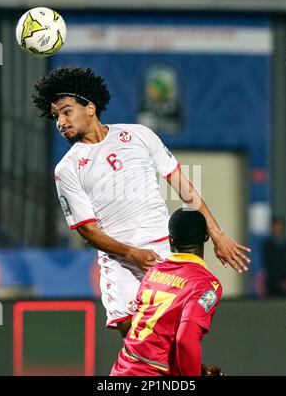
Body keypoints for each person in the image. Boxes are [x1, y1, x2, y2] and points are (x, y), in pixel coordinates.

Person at [33, 67, 250, 337]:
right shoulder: (67, 168)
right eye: (56, 117)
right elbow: (87, 231)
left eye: (66, 111)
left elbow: (183, 185)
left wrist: (216, 233)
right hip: (120, 261)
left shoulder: (138, 135)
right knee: (133, 333)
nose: (61, 122)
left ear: (90, 107)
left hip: (164, 253)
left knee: (181, 329)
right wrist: (130, 253)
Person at [110, 208, 223, 376]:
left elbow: (150, 333)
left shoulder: (153, 273)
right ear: (206, 237)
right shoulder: (207, 285)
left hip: (122, 370)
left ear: (170, 241)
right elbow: (186, 340)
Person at [262, 216, 286, 297]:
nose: (277, 229)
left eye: (279, 226)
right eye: (275, 226)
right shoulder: (268, 247)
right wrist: (279, 282)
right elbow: (270, 266)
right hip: (272, 287)